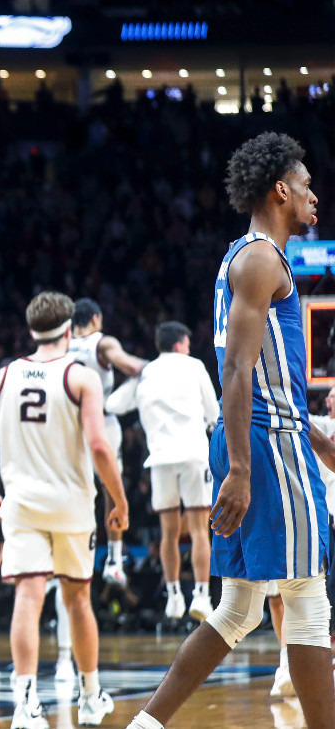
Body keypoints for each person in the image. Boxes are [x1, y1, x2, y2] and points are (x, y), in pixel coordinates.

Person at [125, 133, 335, 729]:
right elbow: (237, 369)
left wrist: (317, 444)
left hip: (264, 435)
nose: (314, 196)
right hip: (264, 444)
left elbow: (266, 376)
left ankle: (147, 725)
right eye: (307, 185)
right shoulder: (262, 257)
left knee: (239, 607)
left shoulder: (240, 256)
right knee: (309, 601)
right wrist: (242, 468)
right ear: (280, 189)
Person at [0, 291, 129, 728]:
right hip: (72, 505)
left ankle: (25, 705)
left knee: (28, 595)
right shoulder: (81, 377)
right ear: (69, 328)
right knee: (78, 599)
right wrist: (119, 497)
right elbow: (99, 445)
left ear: (31, 329)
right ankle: (91, 696)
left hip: (21, 505)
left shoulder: (4, 377)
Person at [106, 320, 220, 622]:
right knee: (198, 531)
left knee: (167, 533)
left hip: (160, 460)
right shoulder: (194, 366)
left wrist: (135, 377)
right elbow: (213, 413)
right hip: (194, 454)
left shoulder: (147, 372)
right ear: (180, 344)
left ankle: (172, 596)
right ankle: (201, 595)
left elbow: (113, 405)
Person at [70, 297, 147, 586]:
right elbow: (131, 366)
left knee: (76, 487)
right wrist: (154, 367)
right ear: (95, 319)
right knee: (110, 487)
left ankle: (74, 555)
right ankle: (114, 560)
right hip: (101, 420)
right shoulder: (101, 343)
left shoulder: (60, 343)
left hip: (69, 422)